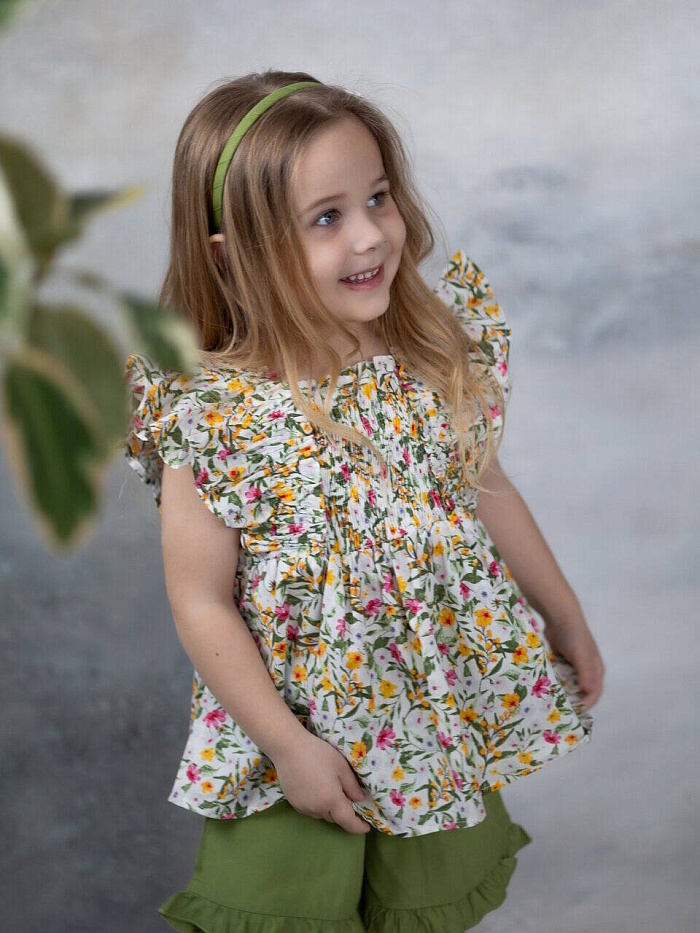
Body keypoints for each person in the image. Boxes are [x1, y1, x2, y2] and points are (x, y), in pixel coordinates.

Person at [124, 70, 604, 932]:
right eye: (326, 217)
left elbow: (486, 486)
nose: (371, 234)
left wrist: (561, 609)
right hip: (294, 728)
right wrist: (286, 745)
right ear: (232, 255)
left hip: (427, 709)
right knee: (293, 907)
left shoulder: (425, 357)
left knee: (417, 902)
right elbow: (200, 600)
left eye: (377, 197)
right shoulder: (216, 412)